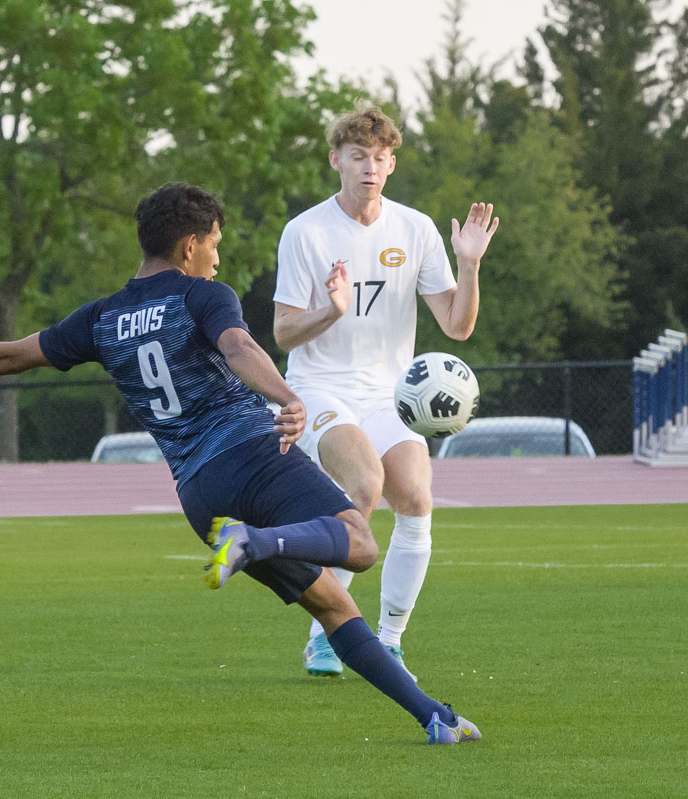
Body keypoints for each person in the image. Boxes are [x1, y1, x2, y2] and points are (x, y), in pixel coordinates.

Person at [0, 183, 479, 744]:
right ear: (190, 244)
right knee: (360, 545)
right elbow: (239, 346)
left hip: (198, 493)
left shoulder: (102, 318)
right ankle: (256, 542)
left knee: (333, 607)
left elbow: (9, 357)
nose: (217, 258)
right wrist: (288, 398)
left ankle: (432, 717)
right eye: (214, 244)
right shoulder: (203, 295)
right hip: (252, 453)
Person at [273, 105, 499, 679]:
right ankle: (327, 634)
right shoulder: (306, 231)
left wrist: (469, 264)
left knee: (417, 501)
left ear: (391, 164)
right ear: (336, 161)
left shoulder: (416, 228)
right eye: (357, 157)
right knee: (362, 486)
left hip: (388, 395)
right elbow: (281, 331)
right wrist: (330, 310)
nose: (369, 168)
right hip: (318, 388)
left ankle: (389, 640)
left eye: (379, 159)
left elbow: (457, 325)